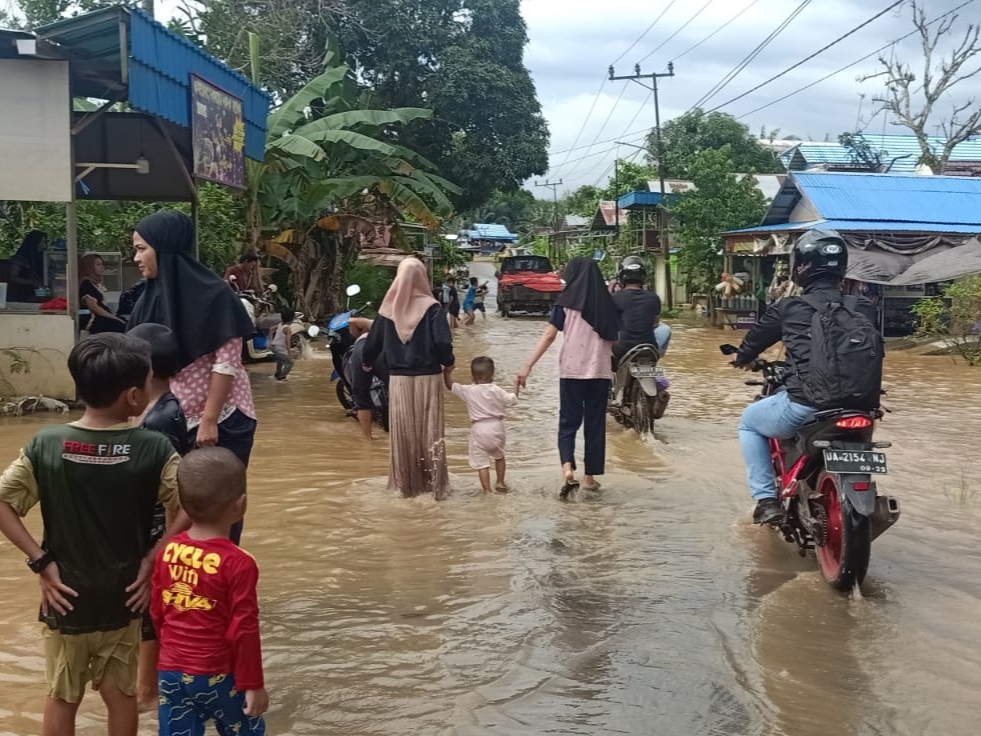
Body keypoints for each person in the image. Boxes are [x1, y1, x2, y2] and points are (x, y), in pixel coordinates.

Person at [0, 333, 183, 736]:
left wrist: (42, 562)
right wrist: (154, 558)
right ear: (134, 396)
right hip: (126, 595)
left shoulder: (46, 444)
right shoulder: (153, 447)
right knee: (121, 695)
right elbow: (192, 502)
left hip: (64, 597)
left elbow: (3, 503)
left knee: (63, 696)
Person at [127, 210, 257, 544]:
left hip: (224, 419)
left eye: (142, 249)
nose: (136, 258)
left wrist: (209, 420)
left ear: (163, 248)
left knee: (218, 508)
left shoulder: (216, 295)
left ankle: (220, 581)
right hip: (165, 419)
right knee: (169, 505)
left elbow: (226, 363)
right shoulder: (144, 301)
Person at [732, 230, 879, 525]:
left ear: (801, 266)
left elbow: (753, 342)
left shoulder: (789, 307)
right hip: (861, 407)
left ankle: (766, 500)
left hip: (807, 405)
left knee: (749, 422)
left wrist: (742, 360)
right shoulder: (863, 307)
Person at [151, 447, 268, 736]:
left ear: (183, 505)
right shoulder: (239, 563)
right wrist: (254, 685)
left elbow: (157, 613)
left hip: (171, 672)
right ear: (240, 505)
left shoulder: (168, 552)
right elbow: (244, 629)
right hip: (219, 674)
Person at [126, 323, 191, 711]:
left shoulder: (159, 422)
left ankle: (147, 692)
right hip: (148, 525)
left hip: (155, 528)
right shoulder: (159, 410)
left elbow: (174, 493)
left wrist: (165, 547)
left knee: (148, 611)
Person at [516, 257, 621, 496]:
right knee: (595, 426)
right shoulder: (609, 305)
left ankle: (567, 471)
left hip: (571, 372)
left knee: (567, 423)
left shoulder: (565, 303)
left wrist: (527, 366)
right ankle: (589, 478)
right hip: (600, 373)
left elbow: (549, 336)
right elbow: (615, 339)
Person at [363, 258, 455, 498]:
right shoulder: (433, 309)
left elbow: (372, 344)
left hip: (399, 380)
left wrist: (367, 362)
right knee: (430, 431)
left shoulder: (388, 310)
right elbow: (444, 342)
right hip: (429, 378)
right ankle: (434, 486)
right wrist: (449, 361)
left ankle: (405, 486)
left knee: (404, 433)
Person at [445, 356, 518, 493]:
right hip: (497, 427)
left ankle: (487, 490)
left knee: (482, 464)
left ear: (472, 377)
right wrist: (516, 386)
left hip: (479, 428)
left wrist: (447, 372)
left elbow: (450, 386)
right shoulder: (496, 389)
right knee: (499, 456)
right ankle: (500, 482)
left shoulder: (469, 390)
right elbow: (512, 401)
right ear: (492, 375)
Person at [611, 255, 671, 365]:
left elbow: (609, 325)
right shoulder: (654, 298)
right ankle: (656, 360)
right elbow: (655, 323)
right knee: (666, 328)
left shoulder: (614, 298)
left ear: (621, 276)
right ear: (643, 276)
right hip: (649, 348)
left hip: (621, 350)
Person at [346, 317, 388, 440]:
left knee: (361, 396)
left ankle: (368, 440)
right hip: (381, 352)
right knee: (397, 391)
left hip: (360, 352)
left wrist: (356, 332)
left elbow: (351, 321)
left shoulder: (377, 322)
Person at [79, 253, 126, 334]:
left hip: (103, 318)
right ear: (89, 266)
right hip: (94, 321)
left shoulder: (94, 282)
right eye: (98, 264)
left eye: (102, 264)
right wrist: (114, 318)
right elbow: (94, 307)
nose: (102, 267)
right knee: (121, 326)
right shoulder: (86, 283)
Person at [8, 229, 46, 302]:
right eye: (40, 242)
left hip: (38, 292)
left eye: (44, 242)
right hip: (22, 294)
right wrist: (32, 282)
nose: (43, 245)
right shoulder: (21, 258)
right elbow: (13, 277)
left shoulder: (42, 257)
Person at [270, 309, 294, 381]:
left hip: (273, 347)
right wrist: (290, 354)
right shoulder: (288, 329)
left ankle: (277, 374)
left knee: (280, 360)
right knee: (290, 363)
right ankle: (282, 377)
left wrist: (271, 340)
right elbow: (287, 341)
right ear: (292, 319)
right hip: (279, 348)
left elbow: (271, 329)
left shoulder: (280, 324)